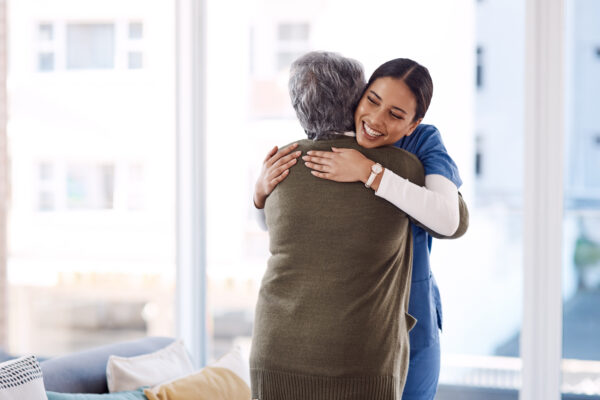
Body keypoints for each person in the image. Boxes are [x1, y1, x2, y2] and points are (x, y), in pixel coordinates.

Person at [250, 52, 467, 400]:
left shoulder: (420, 146)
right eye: (372, 101)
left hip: (410, 302)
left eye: (396, 114)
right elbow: (278, 224)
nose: (377, 119)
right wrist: (260, 192)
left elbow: (451, 220)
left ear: (413, 123)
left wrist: (370, 172)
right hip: (336, 320)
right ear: (358, 96)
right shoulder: (318, 154)